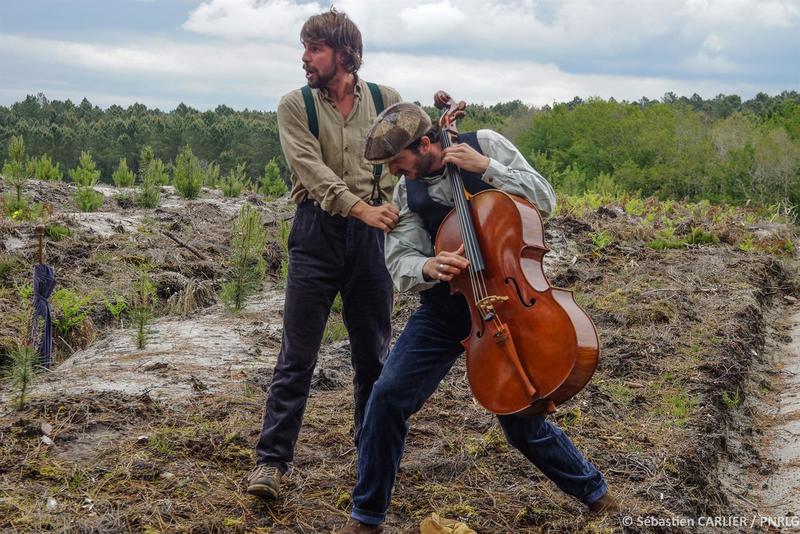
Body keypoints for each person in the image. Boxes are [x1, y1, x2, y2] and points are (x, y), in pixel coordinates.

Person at [338, 103, 619, 533]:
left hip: (508, 304)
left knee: (520, 419)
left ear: (426, 144)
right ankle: (367, 516)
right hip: (447, 308)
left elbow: (545, 198)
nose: (396, 173)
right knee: (387, 396)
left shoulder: (484, 144)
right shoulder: (406, 192)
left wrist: (488, 168)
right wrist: (429, 267)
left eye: (398, 163)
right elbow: (400, 261)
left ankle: (595, 493)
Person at [246, 9, 402, 500]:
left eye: (314, 48)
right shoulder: (295, 105)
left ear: (344, 54)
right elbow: (310, 169)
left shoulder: (386, 101)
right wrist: (359, 209)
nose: (305, 58)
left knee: (373, 356)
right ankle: (272, 463)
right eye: (305, 48)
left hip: (374, 236)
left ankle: (370, 455)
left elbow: (414, 153)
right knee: (297, 355)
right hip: (317, 234)